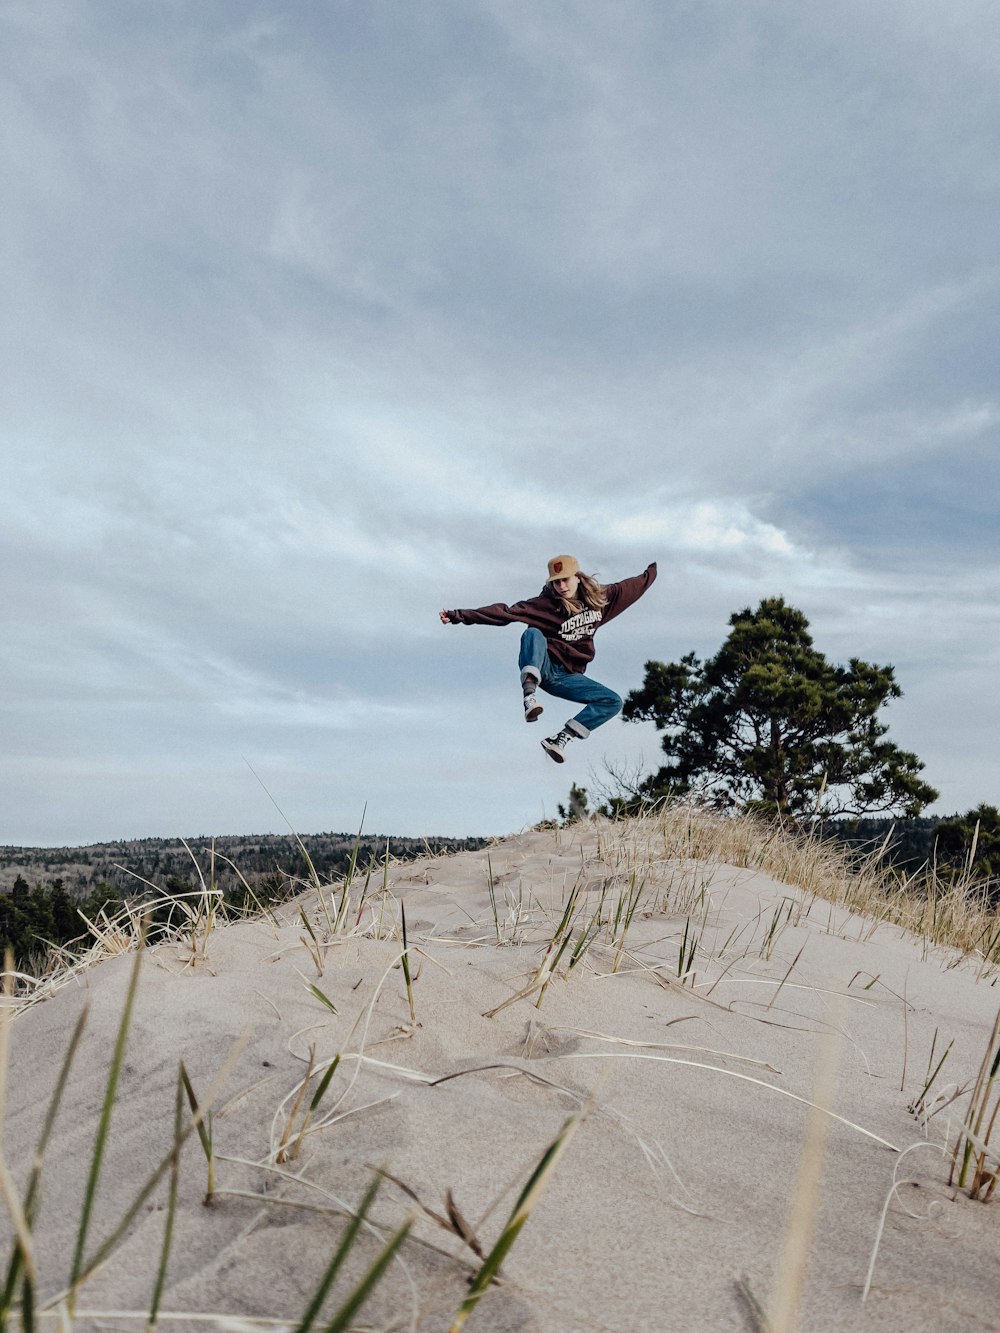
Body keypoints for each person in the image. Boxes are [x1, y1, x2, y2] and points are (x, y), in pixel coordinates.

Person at [439, 555, 657, 762]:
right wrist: (458, 615)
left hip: (567, 677)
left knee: (612, 701)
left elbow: (633, 588)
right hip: (543, 667)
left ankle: (561, 739)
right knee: (532, 633)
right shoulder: (544, 605)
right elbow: (504, 613)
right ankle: (529, 696)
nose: (561, 587)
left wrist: (654, 569)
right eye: (556, 583)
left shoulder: (600, 599)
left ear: (578, 578)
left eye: (565, 580)